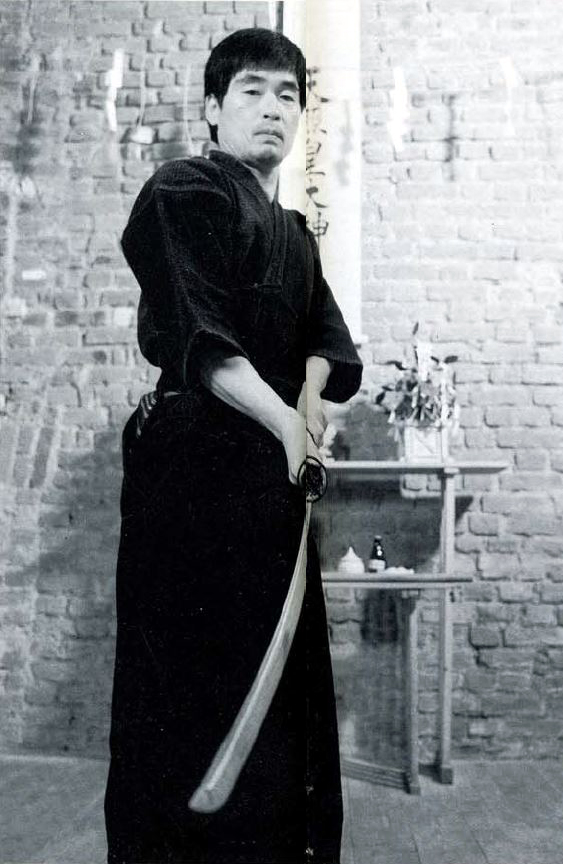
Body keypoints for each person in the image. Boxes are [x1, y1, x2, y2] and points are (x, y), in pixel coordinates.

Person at [104, 27, 362, 864]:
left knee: (285, 703)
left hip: (275, 483)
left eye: (288, 95)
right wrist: (285, 421)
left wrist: (308, 410)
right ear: (213, 109)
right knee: (187, 691)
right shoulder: (185, 190)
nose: (273, 108)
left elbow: (325, 342)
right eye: (252, 90)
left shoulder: (296, 232)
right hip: (194, 470)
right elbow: (201, 336)